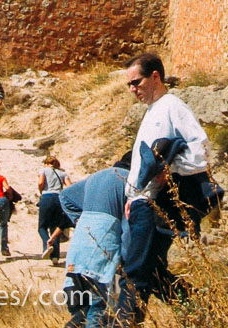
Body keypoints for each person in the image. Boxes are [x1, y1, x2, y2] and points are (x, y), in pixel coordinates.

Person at [122, 53, 210, 315]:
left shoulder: (173, 106)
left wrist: (171, 170)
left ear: (155, 77)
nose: (132, 89)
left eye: (136, 82)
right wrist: (131, 199)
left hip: (153, 204)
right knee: (153, 272)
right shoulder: (152, 112)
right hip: (140, 204)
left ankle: (122, 321)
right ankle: (201, 311)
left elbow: (202, 151)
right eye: (129, 84)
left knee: (135, 273)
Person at [59, 164, 129, 326]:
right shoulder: (127, 180)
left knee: (80, 307)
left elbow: (65, 197)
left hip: (78, 250)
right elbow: (128, 228)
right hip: (100, 253)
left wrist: (79, 221)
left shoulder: (96, 177)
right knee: (97, 307)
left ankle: (75, 323)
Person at [37, 154, 70, 263]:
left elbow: (41, 182)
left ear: (46, 163)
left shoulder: (43, 170)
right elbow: (70, 186)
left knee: (42, 226)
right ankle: (55, 257)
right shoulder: (63, 173)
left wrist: (41, 191)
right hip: (59, 199)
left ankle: (47, 245)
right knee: (55, 227)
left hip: (47, 197)